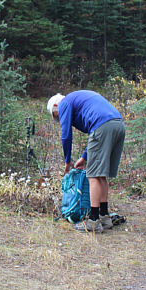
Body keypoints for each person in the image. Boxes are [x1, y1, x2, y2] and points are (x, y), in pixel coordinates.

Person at [47, 90, 125, 233]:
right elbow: (94, 132)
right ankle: (104, 217)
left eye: (56, 116)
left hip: (103, 126)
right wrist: (84, 157)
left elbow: (66, 135)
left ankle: (93, 221)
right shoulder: (79, 99)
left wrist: (67, 161)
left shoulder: (64, 103)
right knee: (101, 175)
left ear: (56, 105)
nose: (59, 120)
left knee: (93, 176)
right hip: (118, 125)